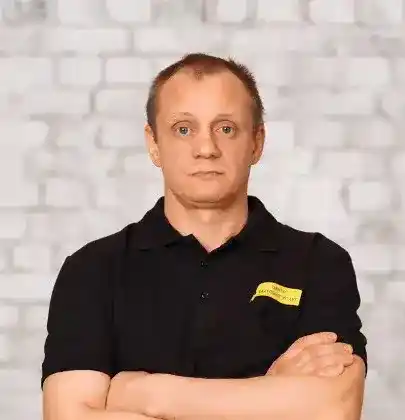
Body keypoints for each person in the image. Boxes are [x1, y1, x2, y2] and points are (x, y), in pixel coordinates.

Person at [42, 53, 367, 420]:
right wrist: (269, 394)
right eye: (184, 129)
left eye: (226, 128)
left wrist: (150, 394)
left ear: (257, 142)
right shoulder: (93, 270)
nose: (206, 149)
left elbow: (335, 409)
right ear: (153, 143)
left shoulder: (318, 263)